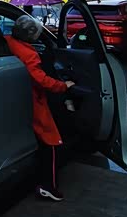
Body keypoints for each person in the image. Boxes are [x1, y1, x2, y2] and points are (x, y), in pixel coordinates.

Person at [5, 15, 75, 203]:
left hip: (17, 98)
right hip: (34, 100)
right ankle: (48, 186)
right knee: (51, 142)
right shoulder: (30, 54)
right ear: (31, 35)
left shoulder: (9, 42)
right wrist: (63, 86)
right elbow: (41, 80)